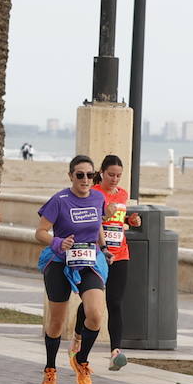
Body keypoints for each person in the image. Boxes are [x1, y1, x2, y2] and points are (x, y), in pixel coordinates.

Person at [35, 155, 109, 384]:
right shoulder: (59, 200)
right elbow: (40, 232)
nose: (85, 179)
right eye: (80, 175)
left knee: (95, 315)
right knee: (57, 321)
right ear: (71, 176)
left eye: (90, 175)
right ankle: (50, 370)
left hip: (89, 260)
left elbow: (98, 224)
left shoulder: (98, 197)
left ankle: (82, 359)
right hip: (59, 261)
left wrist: (104, 248)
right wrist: (57, 242)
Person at [75, 154, 141, 372]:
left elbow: (119, 218)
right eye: (111, 175)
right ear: (101, 173)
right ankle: (77, 339)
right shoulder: (94, 193)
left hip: (120, 253)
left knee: (115, 303)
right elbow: (87, 221)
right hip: (97, 255)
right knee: (91, 303)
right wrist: (104, 216)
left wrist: (129, 220)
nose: (114, 179)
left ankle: (115, 352)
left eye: (119, 176)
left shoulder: (123, 194)